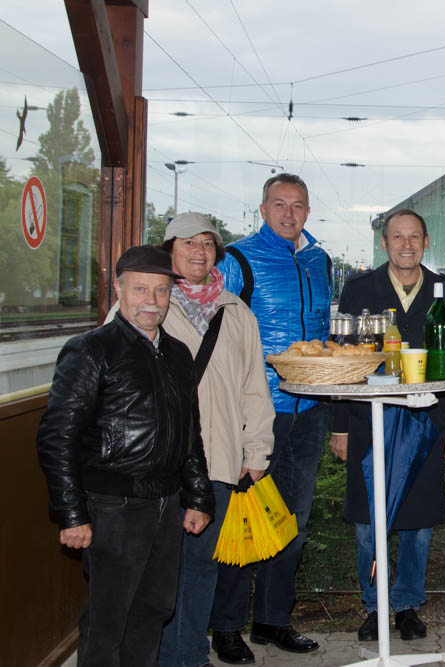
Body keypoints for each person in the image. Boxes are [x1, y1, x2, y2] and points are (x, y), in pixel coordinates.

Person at [103, 214, 275, 667]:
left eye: (208, 244)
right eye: (187, 243)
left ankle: (190, 655)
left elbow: (255, 387)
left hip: (216, 462)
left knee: (200, 568)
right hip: (152, 467)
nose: (199, 251)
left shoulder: (236, 311)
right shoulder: (147, 303)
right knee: (151, 574)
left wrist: (256, 451)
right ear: (169, 249)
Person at [36, 245, 214, 667]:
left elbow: (190, 434)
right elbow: (56, 437)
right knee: (108, 620)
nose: (151, 301)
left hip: (167, 505)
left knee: (154, 611)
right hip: (112, 507)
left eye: (161, 291)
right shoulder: (91, 350)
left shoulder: (177, 354)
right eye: (140, 290)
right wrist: (71, 513)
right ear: (119, 289)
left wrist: (198, 497)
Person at [212, 174, 333, 657]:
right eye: (279, 204)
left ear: (308, 211)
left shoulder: (319, 260)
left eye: (297, 205)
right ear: (262, 209)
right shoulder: (237, 259)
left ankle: (272, 620)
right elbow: (215, 331)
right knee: (242, 519)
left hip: (311, 408)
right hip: (256, 412)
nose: (288, 213)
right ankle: (225, 626)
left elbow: (322, 326)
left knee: (292, 522)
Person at [329, 209, 445, 641]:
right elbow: (341, 362)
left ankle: (406, 604)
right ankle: (373, 606)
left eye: (414, 237)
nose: (406, 244)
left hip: (426, 422)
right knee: (370, 519)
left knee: (418, 522)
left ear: (426, 241)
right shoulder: (358, 290)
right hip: (369, 420)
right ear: (383, 243)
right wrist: (341, 426)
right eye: (397, 237)